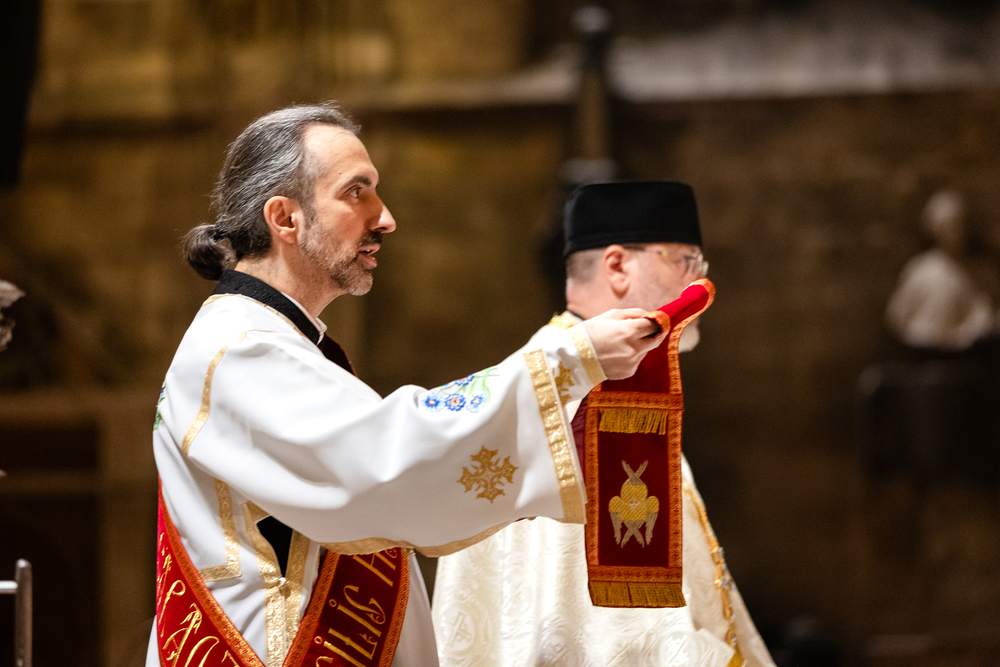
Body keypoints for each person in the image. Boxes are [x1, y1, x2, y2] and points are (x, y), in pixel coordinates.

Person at [145, 103, 665, 667]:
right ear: (285, 218)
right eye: (357, 192)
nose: (385, 218)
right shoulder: (240, 348)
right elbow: (382, 460)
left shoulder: (264, 339)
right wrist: (566, 361)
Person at [433, 181, 776, 667]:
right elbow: (617, 638)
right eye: (686, 261)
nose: (700, 285)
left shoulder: (561, 379)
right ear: (617, 266)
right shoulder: (587, 405)